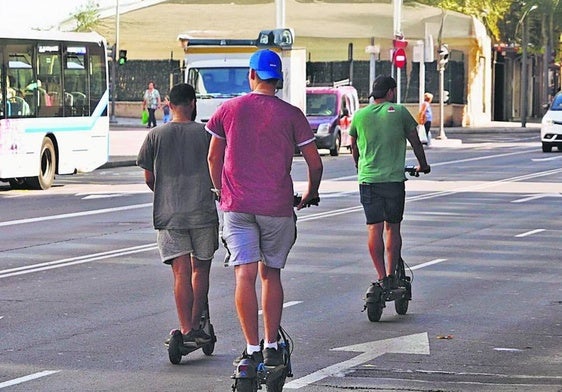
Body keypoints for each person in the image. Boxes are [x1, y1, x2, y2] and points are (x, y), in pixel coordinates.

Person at [206, 49, 323, 368]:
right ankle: (271, 344)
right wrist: (311, 192)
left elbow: (213, 158)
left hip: (238, 205)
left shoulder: (228, 109)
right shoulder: (292, 114)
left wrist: (220, 189)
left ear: (252, 75)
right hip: (276, 207)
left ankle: (251, 348)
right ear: (278, 80)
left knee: (244, 273)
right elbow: (315, 162)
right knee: (271, 274)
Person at [137, 83, 219, 346]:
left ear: (169, 105)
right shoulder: (206, 134)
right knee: (201, 269)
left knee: (180, 273)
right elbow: (218, 167)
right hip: (203, 213)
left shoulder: (155, 136)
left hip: (169, 213)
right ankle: (196, 325)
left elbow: (150, 177)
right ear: (193, 103)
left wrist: (166, 192)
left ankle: (185, 330)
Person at [349, 75, 430, 293]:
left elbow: (353, 147)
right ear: (391, 92)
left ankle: (381, 276)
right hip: (393, 181)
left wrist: (360, 168)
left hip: (368, 181)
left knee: (373, 228)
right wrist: (423, 165)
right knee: (392, 228)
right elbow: (415, 140)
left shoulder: (360, 115)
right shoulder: (400, 111)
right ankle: (393, 275)